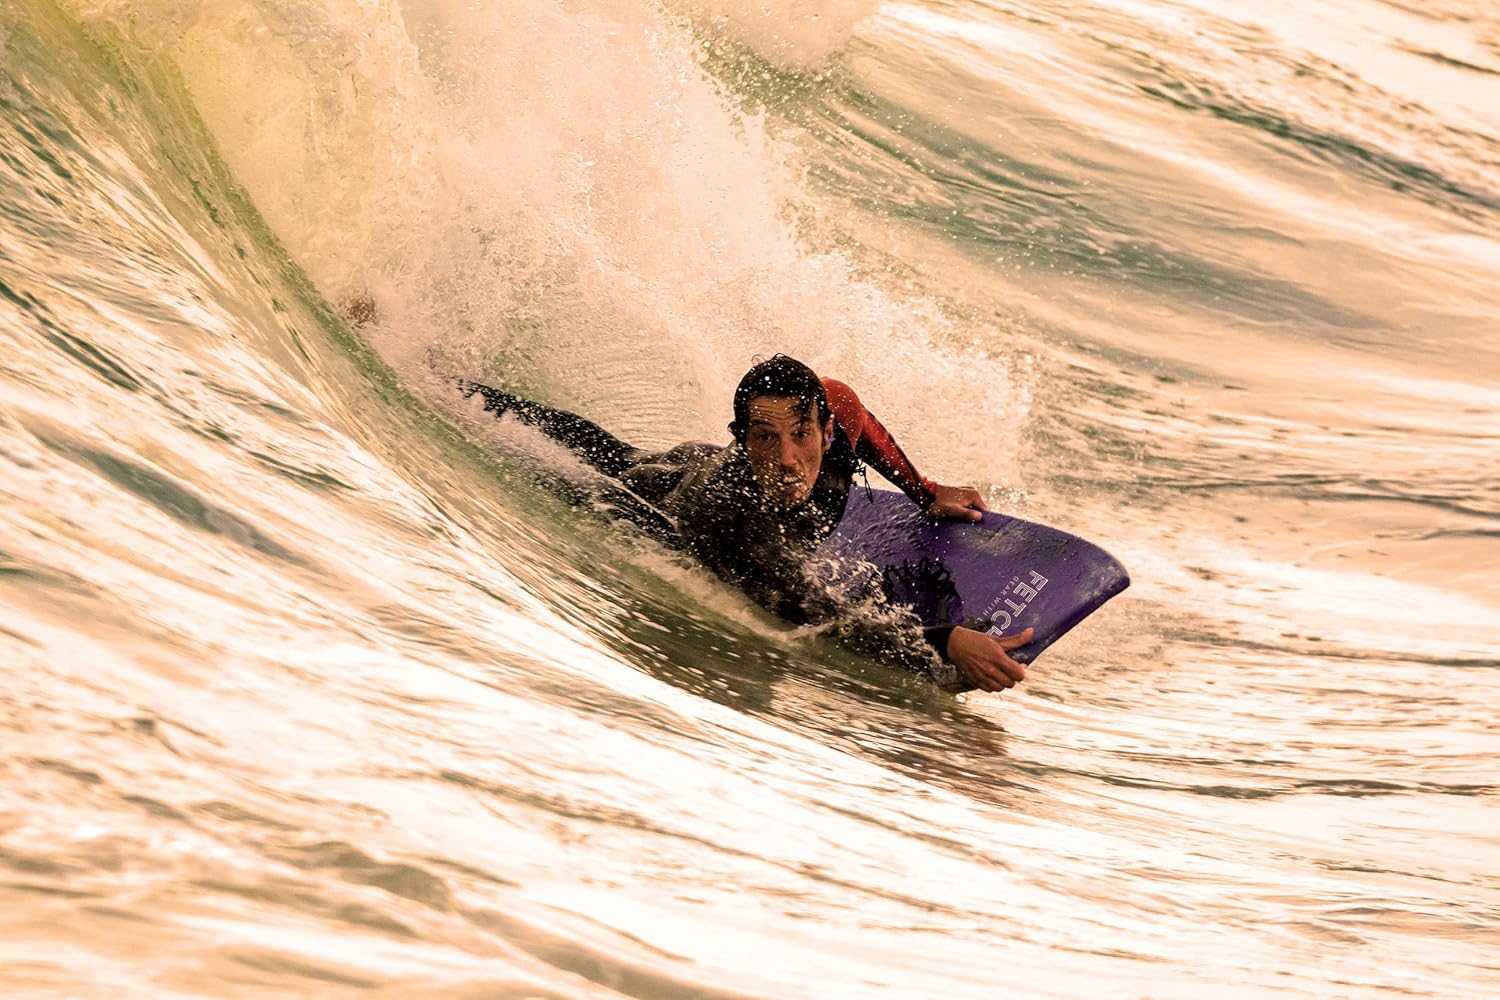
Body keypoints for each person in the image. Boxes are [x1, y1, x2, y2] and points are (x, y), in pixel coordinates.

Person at [461, 355, 1033, 693]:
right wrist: (944, 644)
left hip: (695, 465)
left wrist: (924, 491)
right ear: (741, 439)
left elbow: (856, 411)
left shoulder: (836, 411)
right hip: (661, 501)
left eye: (801, 435)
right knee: (588, 469)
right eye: (765, 438)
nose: (787, 460)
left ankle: (459, 383)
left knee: (618, 451)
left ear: (827, 430)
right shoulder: (734, 524)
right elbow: (822, 617)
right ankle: (454, 391)